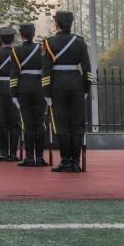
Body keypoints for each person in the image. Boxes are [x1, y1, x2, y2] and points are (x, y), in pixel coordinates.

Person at [41, 10, 92, 173]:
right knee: (77, 124)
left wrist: (46, 92)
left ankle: (65, 161)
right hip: (76, 85)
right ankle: (75, 162)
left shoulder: (49, 43)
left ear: (57, 23)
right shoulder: (79, 42)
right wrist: (86, 88)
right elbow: (87, 68)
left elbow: (46, 70)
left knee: (61, 124)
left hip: (57, 86)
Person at [10, 23, 46, 167]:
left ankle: (30, 157)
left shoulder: (16, 50)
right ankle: (40, 157)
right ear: (33, 33)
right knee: (40, 124)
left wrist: (13, 93)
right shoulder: (41, 48)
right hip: (39, 88)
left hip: (23, 88)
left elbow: (14, 73)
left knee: (28, 124)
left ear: (21, 34)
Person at [0, 27, 20, 162]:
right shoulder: (18, 53)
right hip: (15, 90)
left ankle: (3, 153)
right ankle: (13, 153)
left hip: (0, 91)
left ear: (1, 40)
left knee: (2, 123)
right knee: (15, 123)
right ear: (12, 39)